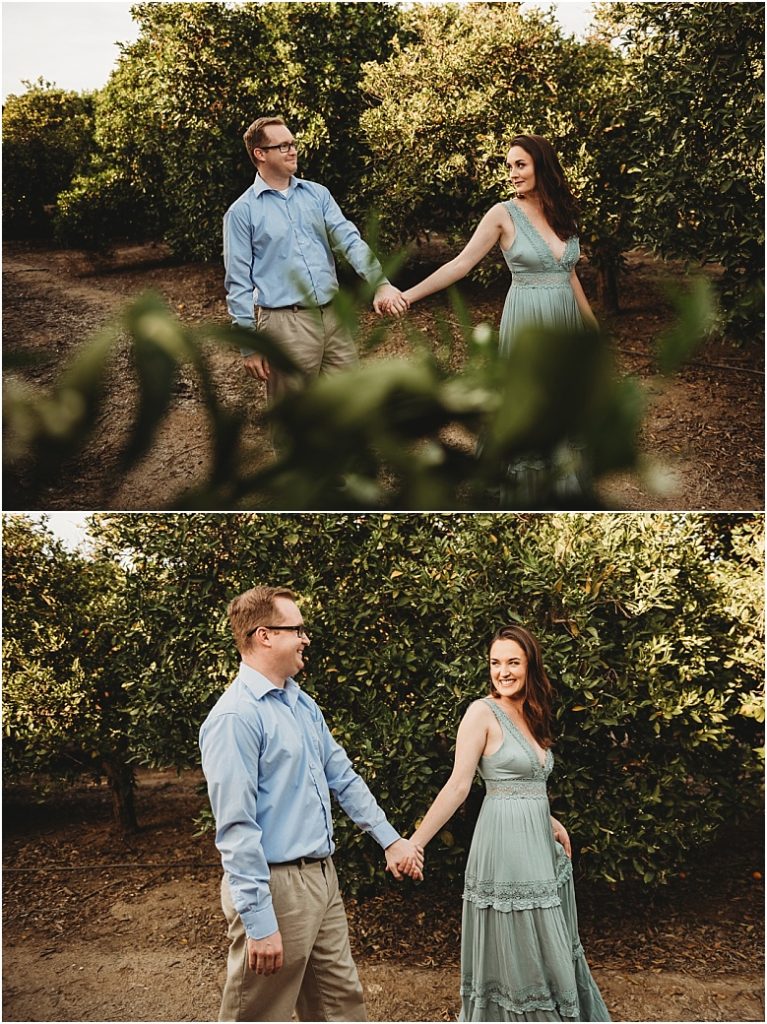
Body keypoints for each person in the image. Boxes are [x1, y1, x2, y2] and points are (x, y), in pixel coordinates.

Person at [199, 585, 423, 1022]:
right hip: (275, 887)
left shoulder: (302, 704)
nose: (305, 638)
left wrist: (390, 840)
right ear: (264, 635)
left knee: (341, 1005)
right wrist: (261, 922)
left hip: (322, 879)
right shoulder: (235, 717)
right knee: (258, 1013)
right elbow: (236, 828)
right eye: (296, 629)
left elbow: (343, 777)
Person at [409, 624, 611, 1022]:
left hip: (537, 842)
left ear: (529, 666)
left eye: (513, 662)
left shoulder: (532, 712)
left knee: (550, 938)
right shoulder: (481, 713)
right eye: (495, 663)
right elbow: (458, 786)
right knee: (524, 943)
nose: (503, 671)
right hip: (504, 846)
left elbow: (524, 782)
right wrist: (416, 842)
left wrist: (551, 820)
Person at [382, 134, 599, 500]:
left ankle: (563, 490)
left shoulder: (563, 211)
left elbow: (570, 274)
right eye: (509, 166)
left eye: (520, 164)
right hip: (528, 322)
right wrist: (408, 295)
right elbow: (461, 265)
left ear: (541, 165)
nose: (512, 173)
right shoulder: (503, 213)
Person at [223, 116, 407, 403]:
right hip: (285, 324)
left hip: (333, 318)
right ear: (260, 154)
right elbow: (238, 283)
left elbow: (349, 241)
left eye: (293, 143)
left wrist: (380, 283)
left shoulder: (317, 194)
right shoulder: (242, 212)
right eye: (282, 146)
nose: (292, 150)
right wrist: (249, 344)